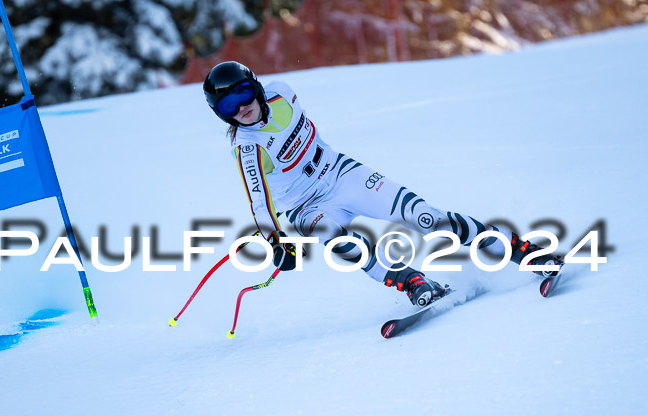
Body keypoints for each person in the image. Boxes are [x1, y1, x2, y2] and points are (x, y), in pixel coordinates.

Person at [203, 61, 560, 307]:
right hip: (304, 207)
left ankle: (522, 251)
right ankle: (411, 281)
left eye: (244, 94)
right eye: (228, 106)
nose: (241, 109)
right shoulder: (247, 147)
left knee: (426, 218)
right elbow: (259, 203)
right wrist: (275, 242)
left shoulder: (282, 93)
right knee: (341, 242)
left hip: (341, 174)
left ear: (258, 87)